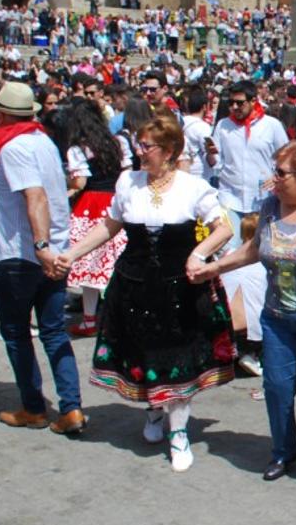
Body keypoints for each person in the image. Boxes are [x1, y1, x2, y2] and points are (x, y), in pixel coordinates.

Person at [63, 113, 235, 473]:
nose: (140, 152)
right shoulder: (129, 181)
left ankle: (180, 432)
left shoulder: (192, 187)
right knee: (144, 352)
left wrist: (198, 254)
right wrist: (73, 252)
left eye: (147, 146)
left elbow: (223, 228)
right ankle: (156, 410)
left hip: (179, 286)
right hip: (135, 283)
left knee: (177, 357)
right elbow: (112, 224)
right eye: (139, 144)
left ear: (170, 150)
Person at [194, 141, 296, 495]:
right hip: (278, 318)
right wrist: (215, 269)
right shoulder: (270, 206)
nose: (275, 180)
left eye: (281, 174)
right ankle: (284, 452)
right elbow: (254, 249)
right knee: (277, 389)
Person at [0, 81, 84, 435]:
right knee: (53, 333)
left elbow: (35, 198)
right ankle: (71, 407)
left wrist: (41, 246)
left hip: (23, 253)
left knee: (18, 333)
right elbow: (21, 193)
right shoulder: (41, 141)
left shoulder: (14, 147)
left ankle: (34, 407)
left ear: (0, 114)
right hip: (48, 249)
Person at [205, 80, 289, 374]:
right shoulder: (224, 127)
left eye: (240, 102)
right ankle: (234, 337)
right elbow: (216, 164)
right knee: (230, 266)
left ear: (254, 100)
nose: (235, 107)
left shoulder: (272, 126)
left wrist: (276, 180)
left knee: (263, 265)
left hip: (262, 203)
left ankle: (262, 335)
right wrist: (211, 154)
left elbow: (286, 157)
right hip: (230, 200)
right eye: (232, 102)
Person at [62, 100, 127, 336]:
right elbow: (126, 172)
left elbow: (80, 182)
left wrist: (66, 190)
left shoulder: (78, 149)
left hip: (90, 204)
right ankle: (115, 317)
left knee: (91, 263)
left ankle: (90, 319)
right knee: (113, 262)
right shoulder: (118, 141)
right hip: (115, 200)